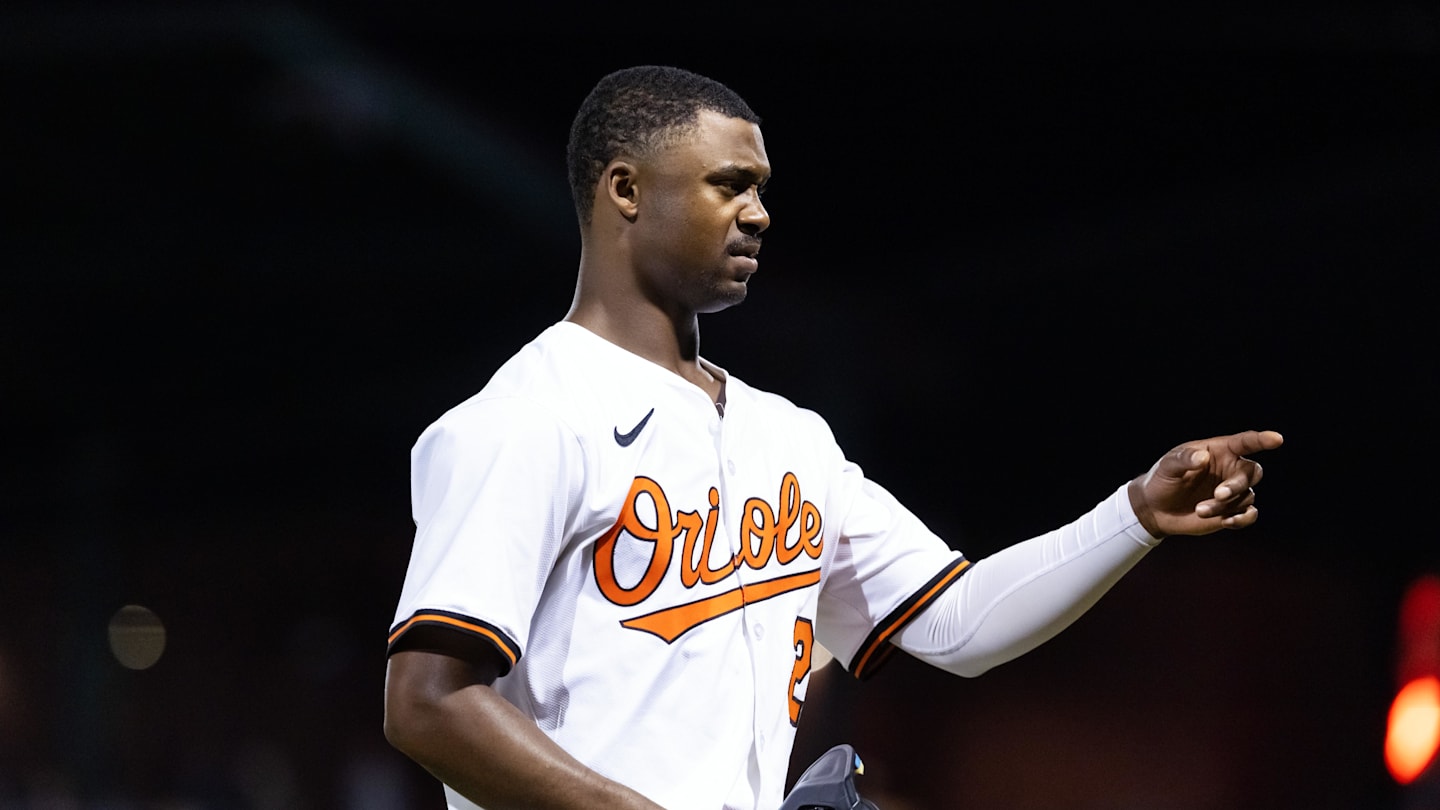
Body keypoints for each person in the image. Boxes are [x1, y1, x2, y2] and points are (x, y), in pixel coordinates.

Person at [382, 65, 1283, 810]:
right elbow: (427, 706)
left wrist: (1132, 518)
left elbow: (957, 623)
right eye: (728, 185)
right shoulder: (524, 420)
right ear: (625, 189)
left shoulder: (791, 439)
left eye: (762, 189)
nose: (759, 213)